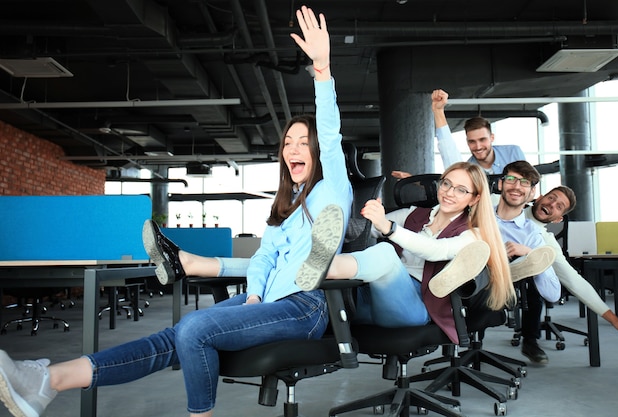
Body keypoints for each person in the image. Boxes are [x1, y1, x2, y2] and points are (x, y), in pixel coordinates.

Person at [0, 6, 352, 417]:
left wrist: (322, 71)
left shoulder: (333, 189)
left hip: (304, 307)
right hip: (267, 299)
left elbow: (330, 133)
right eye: (288, 141)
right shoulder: (284, 204)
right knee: (176, 334)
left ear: (318, 153)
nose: (293, 148)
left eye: (302, 142)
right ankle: (47, 380)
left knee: (196, 328)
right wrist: (254, 293)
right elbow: (265, 256)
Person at [297, 160, 520, 345]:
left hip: (414, 307)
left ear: (475, 198)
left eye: (461, 190)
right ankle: (309, 268)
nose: (449, 193)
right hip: (375, 299)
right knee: (326, 302)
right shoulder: (414, 214)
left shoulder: (473, 234)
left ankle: (326, 267)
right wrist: (362, 217)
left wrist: (389, 228)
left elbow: (435, 251)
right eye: (446, 184)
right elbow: (370, 228)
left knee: (385, 252)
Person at [525, 186, 618, 339]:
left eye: (559, 207)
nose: (552, 204)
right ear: (539, 198)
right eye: (551, 198)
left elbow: (574, 281)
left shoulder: (546, 242)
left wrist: (614, 320)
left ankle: (530, 340)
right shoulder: (511, 208)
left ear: (558, 219)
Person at [495, 160, 562, 364]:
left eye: (524, 183)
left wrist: (530, 253)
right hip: (472, 279)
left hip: (509, 281)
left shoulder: (532, 233)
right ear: (500, 184)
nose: (516, 186)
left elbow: (553, 293)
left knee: (532, 270)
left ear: (532, 193)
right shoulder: (477, 215)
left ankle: (530, 340)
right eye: (511, 179)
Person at [391, 89, 526, 179]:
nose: (478, 146)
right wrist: (438, 111)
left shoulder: (513, 152)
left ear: (492, 138)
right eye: (472, 141)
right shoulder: (469, 169)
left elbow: (528, 181)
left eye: (482, 139)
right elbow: (448, 151)